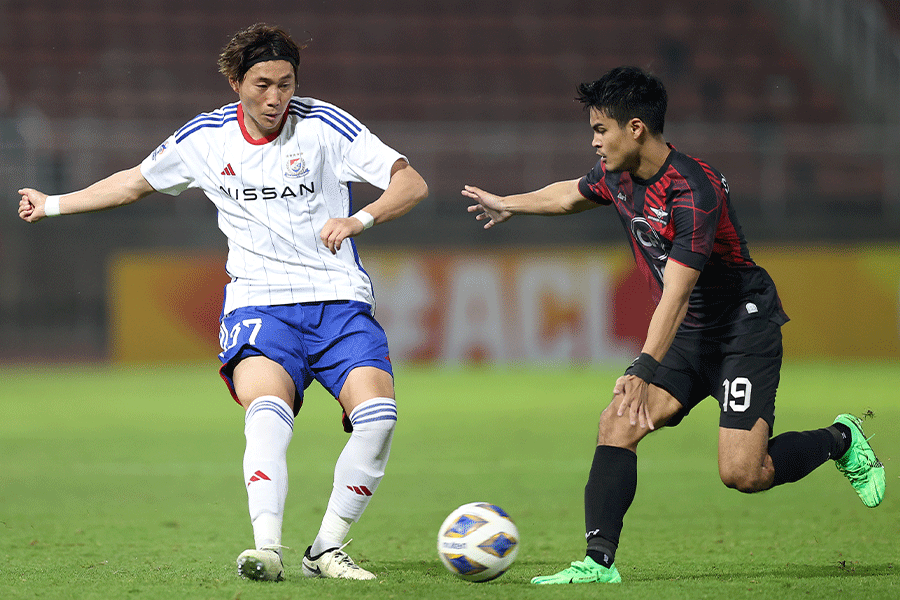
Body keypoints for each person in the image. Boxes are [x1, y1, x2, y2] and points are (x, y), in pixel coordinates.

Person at [18, 23, 428, 582]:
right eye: (262, 83)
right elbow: (135, 182)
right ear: (236, 81)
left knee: (378, 418)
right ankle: (268, 549)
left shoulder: (326, 126)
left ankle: (325, 549)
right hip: (260, 305)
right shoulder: (206, 139)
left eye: (286, 83)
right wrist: (54, 204)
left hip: (338, 302)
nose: (275, 97)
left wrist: (360, 218)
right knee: (267, 414)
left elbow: (412, 184)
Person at [463, 66, 884, 585]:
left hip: (739, 331)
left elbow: (679, 292)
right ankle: (598, 565)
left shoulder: (693, 191)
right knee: (617, 422)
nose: (593, 141)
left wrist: (642, 366)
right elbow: (570, 193)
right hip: (689, 335)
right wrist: (509, 203)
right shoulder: (618, 176)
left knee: (743, 474)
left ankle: (841, 439)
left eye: (600, 129)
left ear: (635, 128)